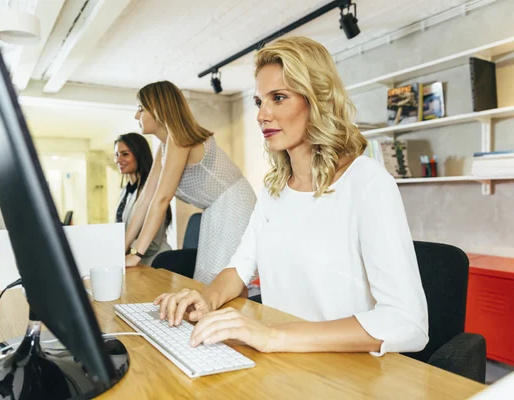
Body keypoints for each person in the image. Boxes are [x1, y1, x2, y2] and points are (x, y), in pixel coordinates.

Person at [154, 36, 429, 355]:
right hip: (284, 363)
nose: (261, 115)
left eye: (279, 97)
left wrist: (273, 336)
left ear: (318, 100)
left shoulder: (367, 183)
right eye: (259, 102)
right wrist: (206, 298)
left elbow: (408, 324)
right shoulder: (274, 189)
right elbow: (240, 266)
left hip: (351, 372)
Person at [124, 81, 257, 285]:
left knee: (224, 277)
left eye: (141, 108)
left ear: (158, 109)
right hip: (214, 208)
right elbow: (145, 199)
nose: (136, 116)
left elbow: (162, 199)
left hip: (234, 202)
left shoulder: (179, 139)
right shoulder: (165, 146)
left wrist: (136, 253)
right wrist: (122, 249)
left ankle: (236, 316)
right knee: (208, 278)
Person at [114, 133, 171, 266]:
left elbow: (153, 243)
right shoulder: (125, 191)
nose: (118, 159)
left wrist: (128, 250)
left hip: (155, 262)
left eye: (125, 154)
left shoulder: (151, 191)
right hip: (131, 262)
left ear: (139, 155)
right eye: (117, 154)